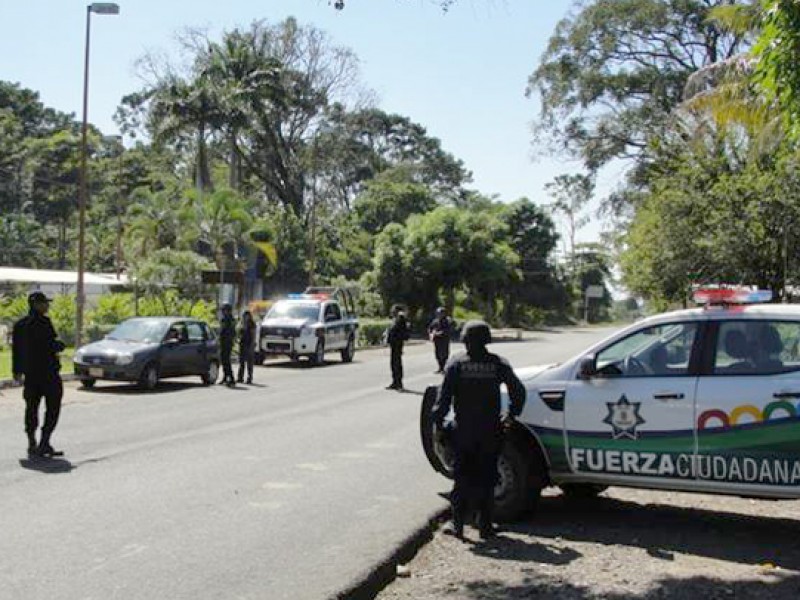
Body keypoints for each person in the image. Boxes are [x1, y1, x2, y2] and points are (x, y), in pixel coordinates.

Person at [433, 320, 526, 539]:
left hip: (463, 431)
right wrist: (511, 416)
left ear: (465, 340)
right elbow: (518, 392)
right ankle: (485, 526)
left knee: (462, 477)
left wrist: (439, 426)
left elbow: (443, 400)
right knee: (487, 477)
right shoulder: (498, 364)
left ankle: (457, 526)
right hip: (490, 430)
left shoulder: (456, 364)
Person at [11, 292, 66, 458]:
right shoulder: (44, 323)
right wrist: (60, 345)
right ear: (36, 305)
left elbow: (16, 350)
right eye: (44, 303)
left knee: (31, 409)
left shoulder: (20, 325)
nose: (47, 306)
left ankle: (32, 442)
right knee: (53, 408)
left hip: (31, 376)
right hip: (48, 374)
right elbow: (51, 345)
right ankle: (44, 441)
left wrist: (17, 371)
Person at [385, 305, 410, 391]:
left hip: (397, 344)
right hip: (393, 344)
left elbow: (400, 331)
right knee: (393, 363)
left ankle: (399, 383)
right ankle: (394, 382)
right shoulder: (395, 319)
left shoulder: (400, 319)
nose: (392, 311)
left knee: (397, 363)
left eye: (394, 310)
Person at [428, 307, 453, 374]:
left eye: (441, 313)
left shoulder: (447, 321)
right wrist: (431, 334)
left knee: (444, 354)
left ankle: (444, 367)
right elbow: (430, 328)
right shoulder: (435, 321)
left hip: (444, 339)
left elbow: (448, 330)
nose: (439, 314)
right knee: (437, 354)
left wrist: (439, 333)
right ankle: (440, 367)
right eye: (438, 313)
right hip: (437, 340)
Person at [219, 304, 236, 387]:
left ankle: (231, 378)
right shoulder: (223, 319)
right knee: (223, 360)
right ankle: (225, 377)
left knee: (227, 361)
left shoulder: (231, 320)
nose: (223, 312)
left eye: (224, 310)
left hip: (228, 342)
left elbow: (232, 332)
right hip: (223, 341)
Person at [237, 310, 256, 385]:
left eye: (247, 316)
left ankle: (249, 377)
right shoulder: (241, 323)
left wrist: (252, 345)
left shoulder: (252, 324)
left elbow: (253, 335)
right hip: (242, 344)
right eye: (244, 316)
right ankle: (240, 377)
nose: (245, 317)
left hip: (249, 344)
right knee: (241, 362)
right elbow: (239, 333)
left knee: (249, 363)